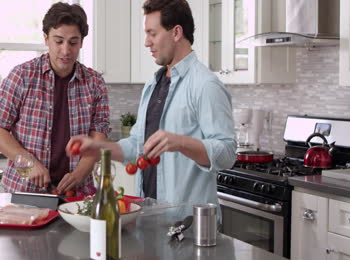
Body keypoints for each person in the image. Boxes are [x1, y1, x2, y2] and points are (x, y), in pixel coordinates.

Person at [67, 0, 236, 208]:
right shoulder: (153, 83)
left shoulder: (205, 85)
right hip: (150, 216)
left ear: (176, 33)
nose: (147, 42)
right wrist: (98, 147)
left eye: (152, 33)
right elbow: (138, 144)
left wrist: (179, 142)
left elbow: (227, 153)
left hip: (188, 225)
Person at [0, 2, 110, 195]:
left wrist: (80, 173)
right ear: (46, 39)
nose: (66, 50)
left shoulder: (95, 82)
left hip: (77, 193)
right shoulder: (22, 75)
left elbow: (99, 134)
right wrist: (27, 163)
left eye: (73, 42)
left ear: (82, 42)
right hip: (25, 190)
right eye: (58, 41)